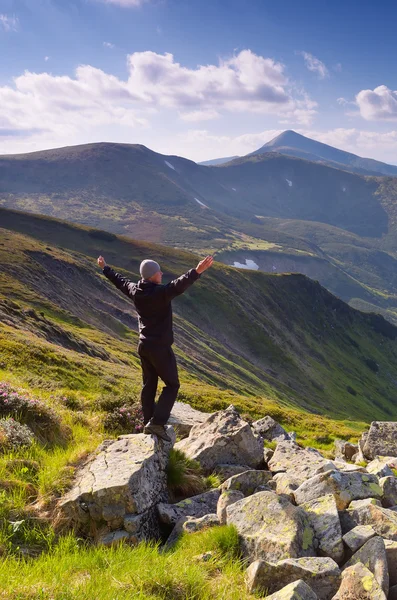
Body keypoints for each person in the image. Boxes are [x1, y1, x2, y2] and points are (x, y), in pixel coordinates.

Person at [97, 254, 213, 441]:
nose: (161, 273)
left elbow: (120, 282)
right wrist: (197, 271)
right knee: (172, 385)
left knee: (149, 385)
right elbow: (179, 285)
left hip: (144, 346)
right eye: (158, 271)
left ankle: (148, 422)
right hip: (160, 348)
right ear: (151, 276)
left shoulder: (135, 290)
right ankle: (157, 423)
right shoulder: (161, 293)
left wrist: (105, 268)